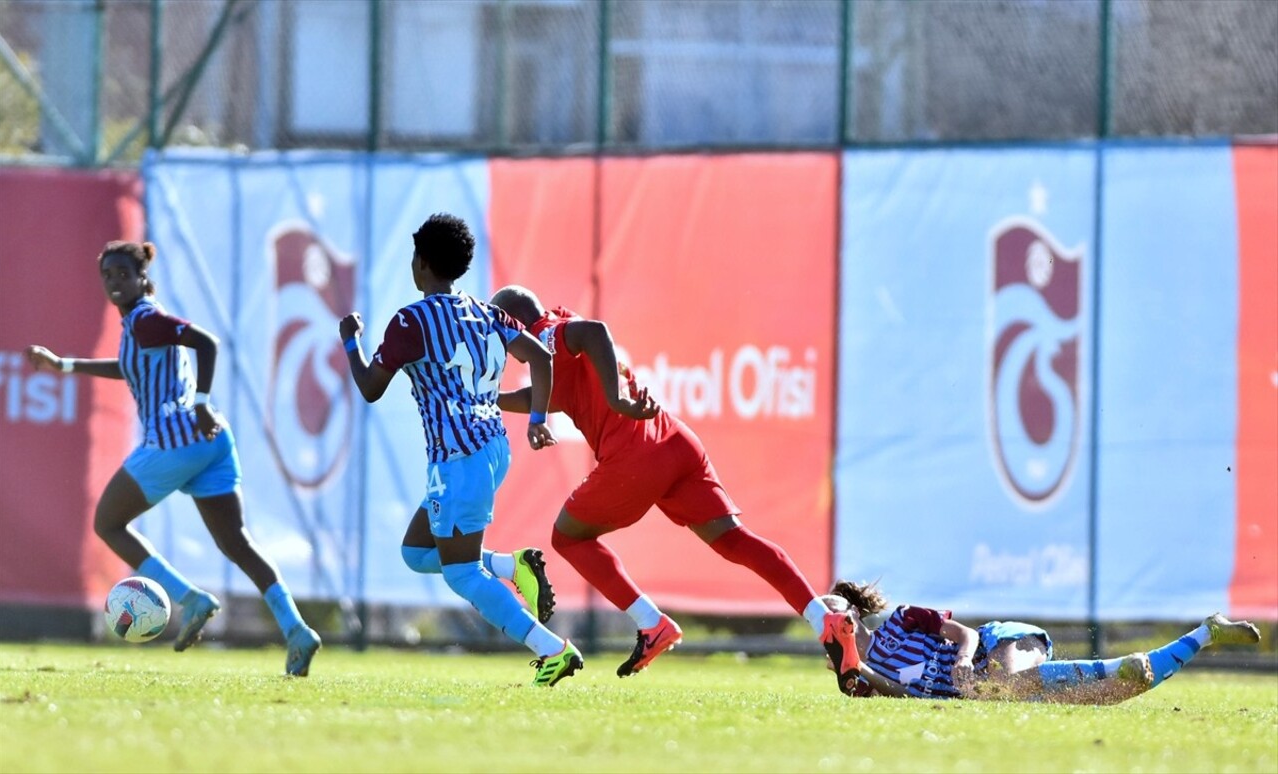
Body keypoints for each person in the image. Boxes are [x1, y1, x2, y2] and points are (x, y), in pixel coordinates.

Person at [488, 285, 862, 692]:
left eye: (504, 338)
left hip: (633, 457)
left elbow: (594, 331)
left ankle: (651, 623)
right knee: (735, 540)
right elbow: (550, 393)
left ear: (512, 325)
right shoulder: (556, 336)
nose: (507, 351)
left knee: (568, 536)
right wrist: (489, 397)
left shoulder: (545, 336)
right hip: (674, 441)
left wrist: (614, 399)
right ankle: (823, 621)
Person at [26, 241, 322, 676]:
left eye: (123, 273)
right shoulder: (139, 324)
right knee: (236, 542)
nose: (114, 282)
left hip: (176, 440)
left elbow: (207, 342)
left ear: (142, 278)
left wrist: (200, 401)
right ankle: (296, 629)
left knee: (107, 524)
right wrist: (63, 365)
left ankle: (192, 599)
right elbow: (128, 367)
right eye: (107, 275)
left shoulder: (145, 318)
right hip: (210, 444)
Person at [339, 214, 581, 687]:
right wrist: (536, 420)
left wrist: (351, 341)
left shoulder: (411, 320)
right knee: (415, 551)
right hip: (492, 450)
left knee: (461, 574)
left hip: (459, 460)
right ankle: (514, 566)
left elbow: (370, 386)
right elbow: (541, 356)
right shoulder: (486, 312)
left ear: (423, 264)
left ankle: (552, 649)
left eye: (414, 258)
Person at [824, 579, 1262, 704]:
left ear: (853, 613)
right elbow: (905, 695)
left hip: (998, 643)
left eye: (833, 616)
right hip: (989, 690)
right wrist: (856, 670)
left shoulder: (901, 620)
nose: (830, 629)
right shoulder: (862, 680)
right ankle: (1208, 632)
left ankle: (1116, 663)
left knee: (1005, 685)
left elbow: (968, 634)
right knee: (1117, 693)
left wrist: (961, 659)